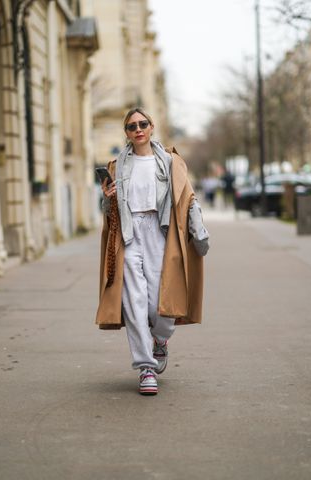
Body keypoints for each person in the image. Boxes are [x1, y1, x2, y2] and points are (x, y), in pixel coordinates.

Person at [95, 107, 210, 396]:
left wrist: (199, 231)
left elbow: (188, 198)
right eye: (131, 126)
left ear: (152, 126)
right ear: (127, 133)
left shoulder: (171, 162)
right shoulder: (116, 166)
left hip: (162, 233)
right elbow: (107, 213)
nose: (138, 129)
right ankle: (146, 367)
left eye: (142, 124)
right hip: (129, 234)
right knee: (133, 302)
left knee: (162, 299)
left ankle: (160, 339)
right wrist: (107, 200)